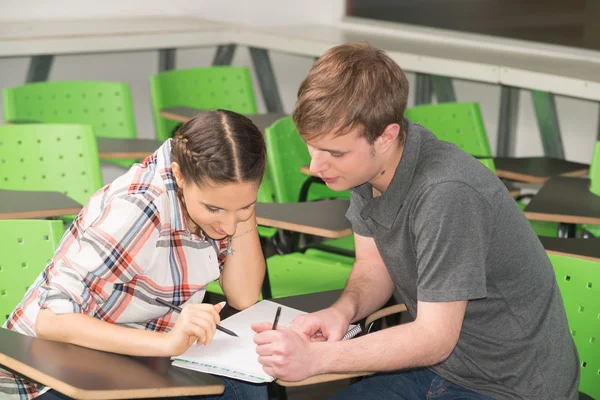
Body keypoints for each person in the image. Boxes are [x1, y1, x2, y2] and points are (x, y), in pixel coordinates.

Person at [252, 42, 580, 399]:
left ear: (386, 136)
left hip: (511, 388)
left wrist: (316, 359)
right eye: (311, 147)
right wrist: (341, 312)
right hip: (442, 371)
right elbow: (373, 264)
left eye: (334, 152)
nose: (316, 166)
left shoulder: (446, 192)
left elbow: (433, 338)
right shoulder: (367, 169)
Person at [1, 110, 268, 400]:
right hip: (50, 374)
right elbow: (51, 320)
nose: (228, 226)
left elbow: (243, 296)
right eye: (214, 209)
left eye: (245, 206)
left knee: (248, 388)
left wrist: (241, 214)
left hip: (135, 355)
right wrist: (167, 343)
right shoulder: (138, 208)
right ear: (179, 176)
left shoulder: (217, 195)